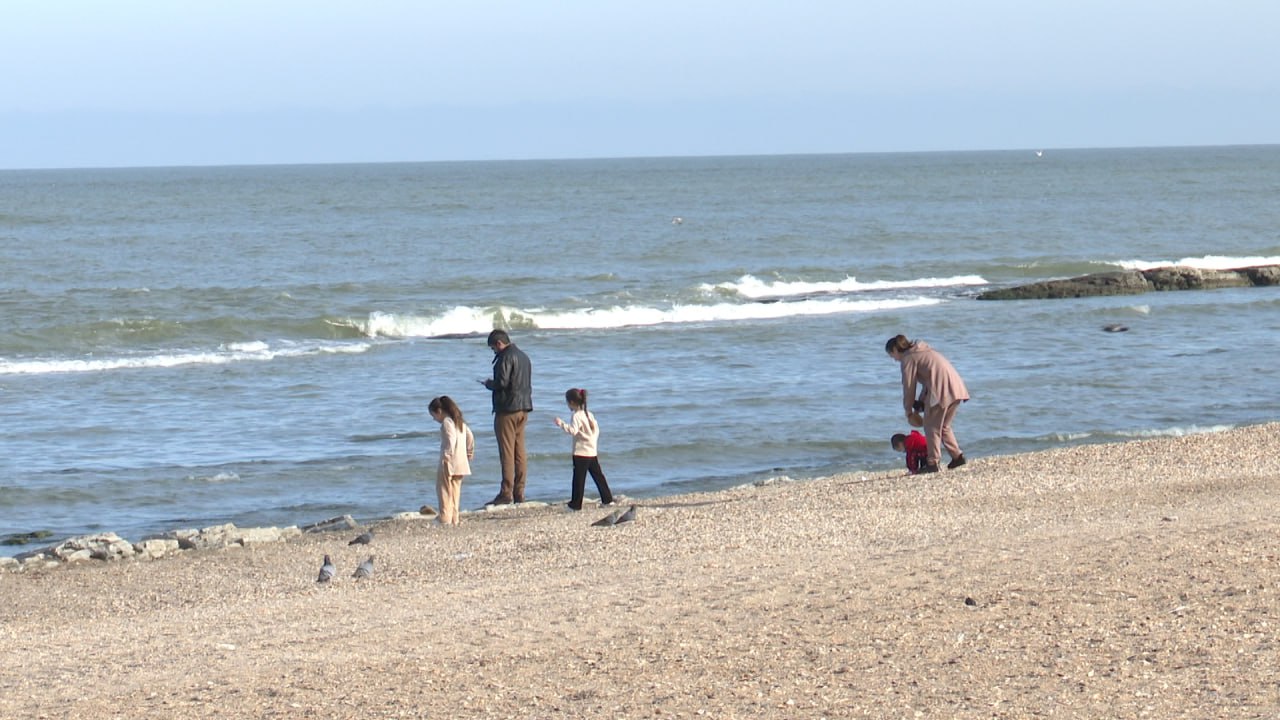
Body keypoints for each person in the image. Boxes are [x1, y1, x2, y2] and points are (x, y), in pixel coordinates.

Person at [885, 334, 970, 473]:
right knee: (944, 427)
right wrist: (921, 402)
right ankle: (957, 457)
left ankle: (932, 463)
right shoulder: (923, 351)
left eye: (891, 355)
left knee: (931, 427)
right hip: (956, 388)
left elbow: (908, 386)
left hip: (941, 391)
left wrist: (908, 411)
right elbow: (931, 377)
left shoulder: (908, 358)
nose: (893, 359)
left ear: (895, 349)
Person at [482, 329, 532, 505]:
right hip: (523, 408)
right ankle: (520, 491)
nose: (493, 351)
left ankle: (506, 492)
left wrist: (489, 384)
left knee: (507, 453)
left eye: (493, 348)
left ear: (499, 344)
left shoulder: (505, 357)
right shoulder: (524, 357)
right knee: (520, 452)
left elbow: (502, 382)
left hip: (507, 409)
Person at [553, 387, 615, 510]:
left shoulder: (576, 416)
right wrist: (591, 442)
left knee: (578, 479)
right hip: (591, 451)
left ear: (571, 402)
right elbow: (596, 431)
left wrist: (561, 424)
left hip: (581, 452)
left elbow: (573, 431)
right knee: (598, 476)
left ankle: (575, 505)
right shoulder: (589, 414)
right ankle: (607, 499)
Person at [428, 395, 475, 526]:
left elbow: (451, 438)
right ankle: (455, 517)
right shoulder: (460, 422)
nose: (434, 419)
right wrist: (469, 452)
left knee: (443, 489)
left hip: (449, 462)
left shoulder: (447, 422)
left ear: (439, 411)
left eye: (433, 415)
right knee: (455, 491)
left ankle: (444, 517)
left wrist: (447, 455)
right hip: (461, 462)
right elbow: (470, 436)